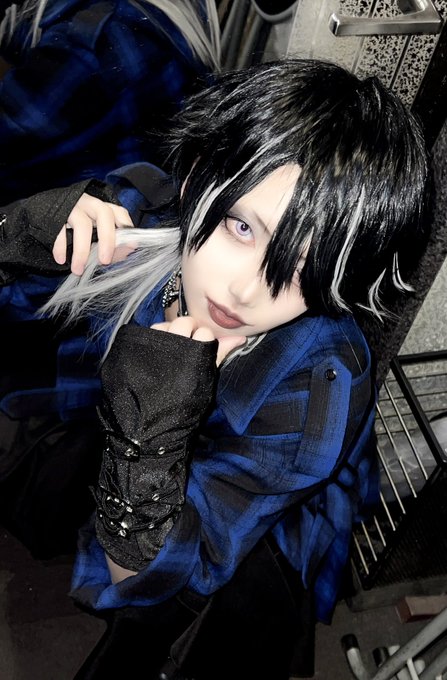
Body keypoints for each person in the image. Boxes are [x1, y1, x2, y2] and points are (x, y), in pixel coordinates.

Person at [0, 58, 431, 678]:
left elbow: (148, 576)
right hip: (124, 431)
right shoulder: (139, 214)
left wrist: (148, 437)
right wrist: (18, 232)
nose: (245, 292)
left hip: (263, 488)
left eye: (306, 267)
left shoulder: (316, 390)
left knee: (193, 627)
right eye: (240, 226)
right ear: (199, 177)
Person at [0, 0, 220, 203]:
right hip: (132, 211)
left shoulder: (100, 37)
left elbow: (14, 130)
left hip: (76, 221)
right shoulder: (163, 11)